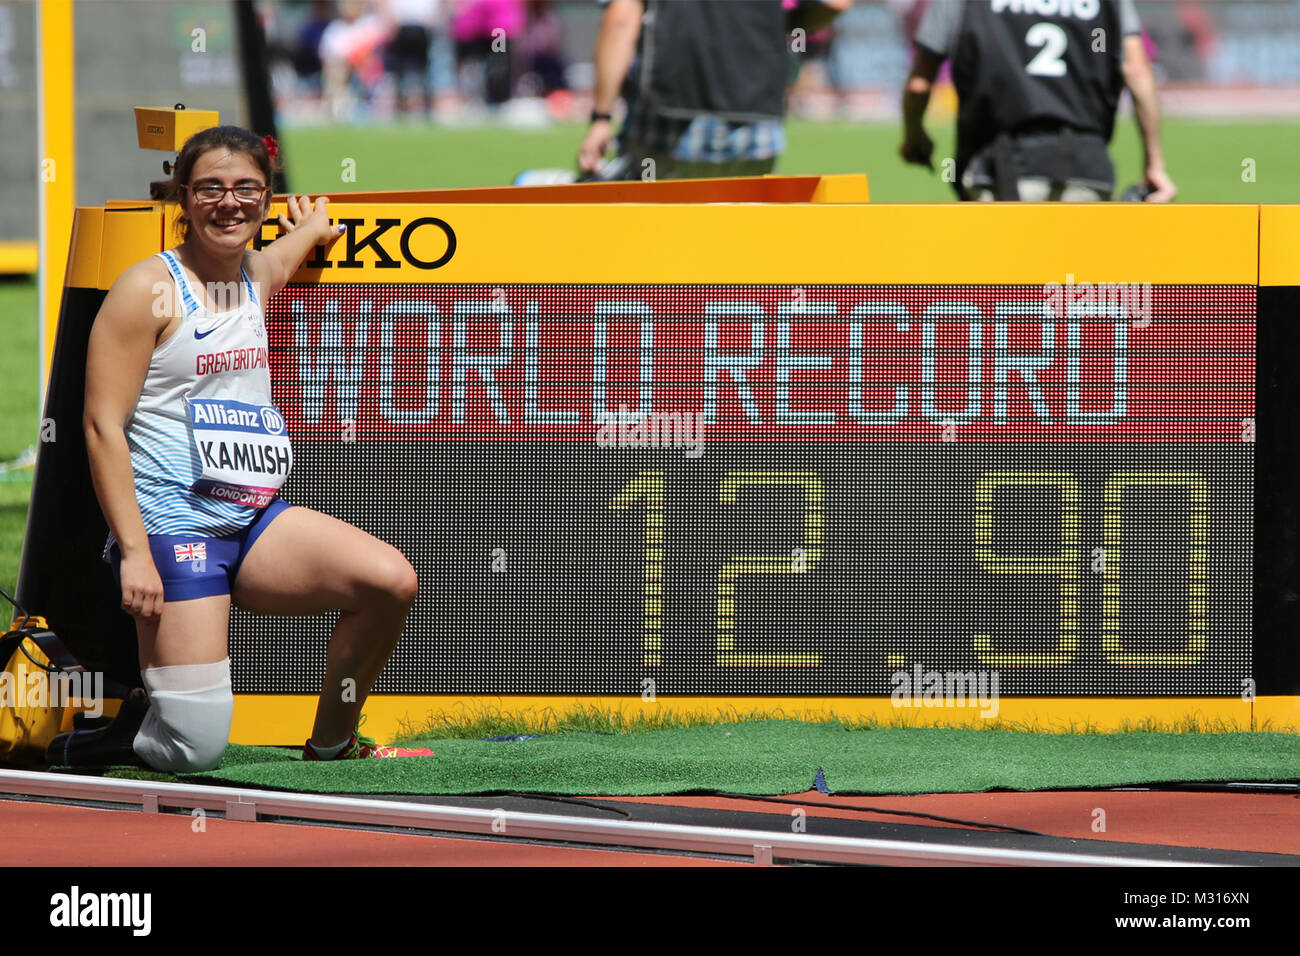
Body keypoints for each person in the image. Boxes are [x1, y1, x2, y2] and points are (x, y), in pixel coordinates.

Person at [48, 126, 432, 771]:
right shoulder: (146, 290)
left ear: (265, 197)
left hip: (251, 520)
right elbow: (99, 428)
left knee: (390, 581)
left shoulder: (253, 274)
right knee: (196, 749)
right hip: (174, 531)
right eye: (211, 189)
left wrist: (311, 227)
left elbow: (288, 250)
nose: (229, 203)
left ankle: (333, 742)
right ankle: (124, 730)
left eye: (246, 189)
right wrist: (137, 554)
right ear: (183, 198)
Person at [899, 0, 1176, 202]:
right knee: (1071, 279)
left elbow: (919, 83)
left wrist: (915, 137)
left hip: (992, 170)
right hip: (1086, 170)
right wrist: (1154, 164)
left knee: (1003, 280)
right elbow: (1136, 71)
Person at [577, 0, 849, 182]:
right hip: (756, 131)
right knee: (739, 248)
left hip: (666, 127)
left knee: (656, 248)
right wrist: (783, 25)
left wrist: (601, 118)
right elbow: (835, 3)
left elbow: (621, 20)